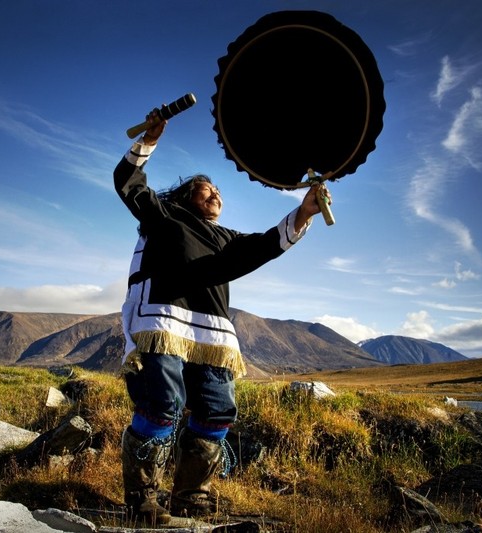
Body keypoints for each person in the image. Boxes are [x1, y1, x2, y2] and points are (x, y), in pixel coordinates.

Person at [114, 108, 329, 523]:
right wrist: (150, 140)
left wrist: (304, 211)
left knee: (216, 410)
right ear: (185, 197)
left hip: (213, 336)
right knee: (162, 404)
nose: (215, 194)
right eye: (205, 189)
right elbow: (128, 181)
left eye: (217, 191)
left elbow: (267, 243)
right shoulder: (162, 214)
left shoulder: (227, 239)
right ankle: (142, 502)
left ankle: (191, 497)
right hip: (163, 320)